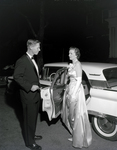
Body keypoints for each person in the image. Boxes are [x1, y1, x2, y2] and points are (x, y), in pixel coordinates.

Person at [13, 39, 42, 150]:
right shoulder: (22, 60)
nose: (39, 49)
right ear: (30, 47)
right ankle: (30, 143)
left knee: (33, 118)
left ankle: (32, 135)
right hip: (28, 95)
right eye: (38, 47)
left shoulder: (32, 59)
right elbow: (17, 77)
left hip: (34, 95)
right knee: (28, 119)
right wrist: (30, 86)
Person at [61, 47, 92, 148]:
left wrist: (73, 93)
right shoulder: (72, 64)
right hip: (71, 88)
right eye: (69, 53)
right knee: (71, 114)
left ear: (76, 54)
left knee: (76, 115)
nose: (69, 55)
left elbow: (79, 80)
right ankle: (75, 134)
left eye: (71, 53)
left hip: (76, 91)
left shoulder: (78, 64)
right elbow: (69, 78)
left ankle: (79, 138)